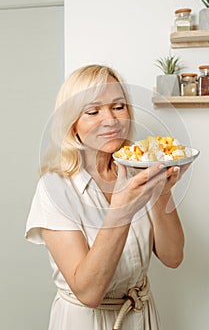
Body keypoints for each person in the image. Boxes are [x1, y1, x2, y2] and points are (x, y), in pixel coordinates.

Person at [25, 64, 185, 330]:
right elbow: (88, 292)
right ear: (71, 124)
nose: (110, 120)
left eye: (118, 106)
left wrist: (162, 192)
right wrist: (121, 210)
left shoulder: (142, 169)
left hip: (141, 315)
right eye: (92, 111)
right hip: (86, 322)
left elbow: (173, 257)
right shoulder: (54, 189)